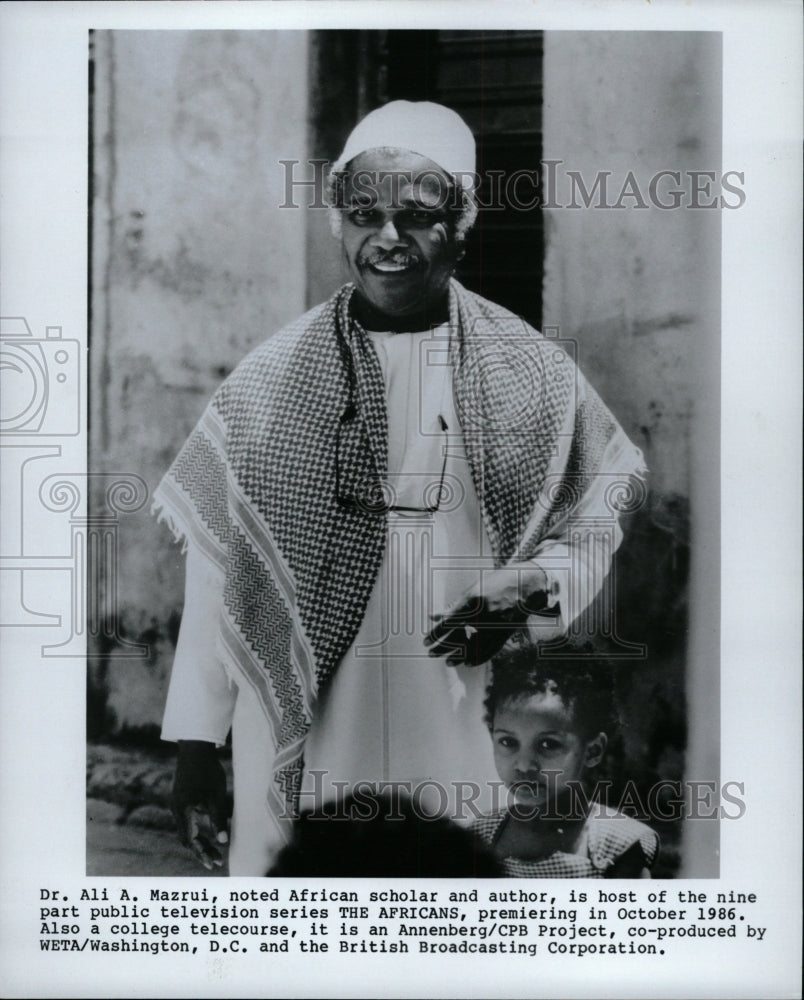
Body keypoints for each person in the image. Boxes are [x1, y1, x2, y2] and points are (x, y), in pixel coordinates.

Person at [153, 100, 647, 874]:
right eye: (364, 214)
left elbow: (597, 516)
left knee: (452, 909)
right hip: (306, 730)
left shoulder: (534, 372)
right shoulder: (269, 381)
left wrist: (531, 594)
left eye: (418, 215)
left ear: (464, 220)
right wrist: (193, 743)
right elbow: (219, 572)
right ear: (337, 222)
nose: (388, 238)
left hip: (457, 712)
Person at [471, 646, 659, 877]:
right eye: (508, 742)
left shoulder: (616, 843)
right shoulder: (483, 834)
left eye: (548, 745)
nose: (524, 765)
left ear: (592, 751)